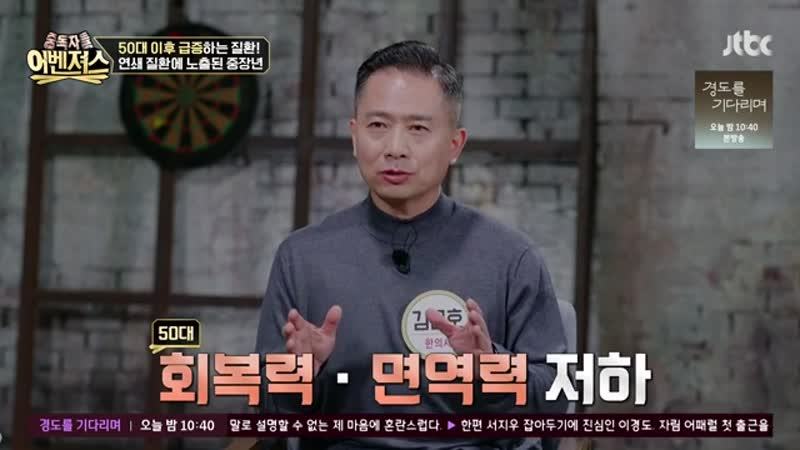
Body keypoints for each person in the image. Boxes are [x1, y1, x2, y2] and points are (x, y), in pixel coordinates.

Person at [255, 40, 568, 450]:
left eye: (418, 129)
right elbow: (266, 414)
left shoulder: (511, 257)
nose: (395, 148)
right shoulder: (301, 258)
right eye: (377, 126)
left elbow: (556, 398)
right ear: (354, 136)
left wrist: (493, 369)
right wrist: (296, 378)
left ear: (454, 145)